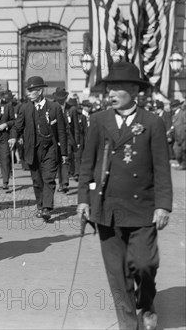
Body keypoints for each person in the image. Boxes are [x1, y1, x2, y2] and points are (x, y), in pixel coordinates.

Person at [77, 62, 172, 330]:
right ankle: (128, 324)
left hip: (143, 208)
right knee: (117, 274)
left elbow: (162, 168)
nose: (111, 92)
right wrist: (83, 199)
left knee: (144, 264)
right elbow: (87, 163)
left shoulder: (151, 122)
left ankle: (146, 301)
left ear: (134, 90)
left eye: (117, 87)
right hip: (107, 208)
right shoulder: (98, 120)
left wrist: (163, 206)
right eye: (109, 87)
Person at [9, 76, 67, 222]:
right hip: (32, 150)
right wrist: (13, 137)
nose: (28, 93)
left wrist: (64, 152)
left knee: (48, 178)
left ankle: (47, 208)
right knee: (37, 181)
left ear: (40, 91)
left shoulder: (54, 108)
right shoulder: (25, 108)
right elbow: (17, 126)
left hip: (50, 149)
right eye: (28, 90)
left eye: (31, 90)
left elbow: (61, 131)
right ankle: (40, 206)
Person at [52, 87, 81, 193]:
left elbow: (76, 127)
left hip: (68, 138)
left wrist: (77, 142)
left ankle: (65, 183)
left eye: (62, 98)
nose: (61, 100)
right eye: (59, 99)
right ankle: (61, 182)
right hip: (55, 138)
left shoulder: (72, 109)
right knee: (58, 160)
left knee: (66, 159)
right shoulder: (52, 107)